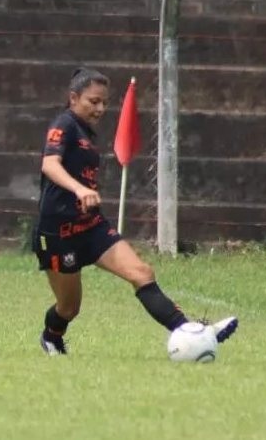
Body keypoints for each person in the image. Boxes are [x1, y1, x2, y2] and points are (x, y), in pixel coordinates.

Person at [32, 68, 238, 356]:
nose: (101, 108)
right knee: (69, 307)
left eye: (104, 102)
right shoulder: (63, 125)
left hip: (90, 226)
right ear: (73, 97)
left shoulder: (85, 130)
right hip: (58, 233)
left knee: (141, 272)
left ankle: (192, 332)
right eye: (93, 101)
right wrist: (79, 189)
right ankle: (51, 337)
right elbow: (49, 165)